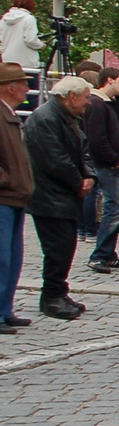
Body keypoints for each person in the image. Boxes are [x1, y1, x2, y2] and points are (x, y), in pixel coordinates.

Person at [22, 76, 94, 320]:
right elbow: (54, 159)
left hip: (62, 194)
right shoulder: (44, 118)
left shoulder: (65, 117)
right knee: (58, 248)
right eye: (85, 97)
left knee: (65, 247)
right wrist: (78, 182)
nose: (88, 103)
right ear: (71, 96)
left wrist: (89, 177)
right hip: (49, 195)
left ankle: (58, 292)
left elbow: (82, 151)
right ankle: (52, 295)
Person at [84, 68, 119, 274]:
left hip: (115, 163)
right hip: (109, 166)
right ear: (109, 80)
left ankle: (107, 253)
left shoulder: (111, 103)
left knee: (116, 210)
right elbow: (97, 138)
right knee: (114, 210)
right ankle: (100, 254)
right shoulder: (97, 104)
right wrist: (114, 160)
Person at [0, 63, 33, 332]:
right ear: (10, 87)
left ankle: (5, 308)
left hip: (15, 196)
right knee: (2, 257)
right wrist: (9, 180)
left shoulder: (8, 114)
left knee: (12, 257)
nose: (27, 88)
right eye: (23, 83)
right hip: (4, 196)